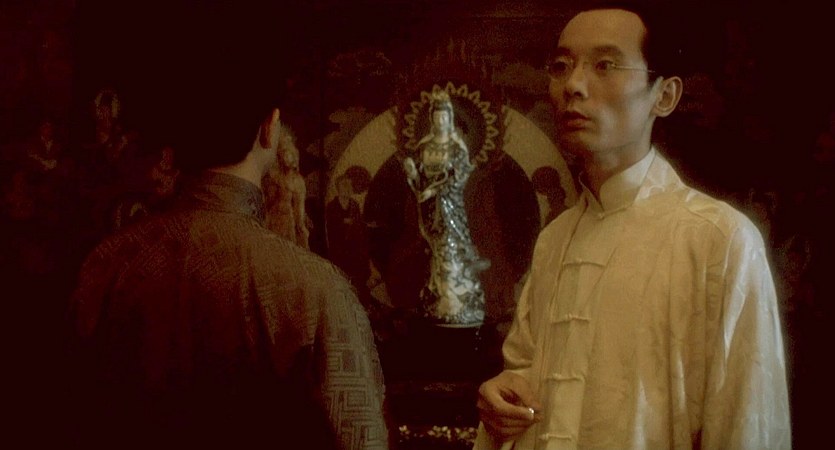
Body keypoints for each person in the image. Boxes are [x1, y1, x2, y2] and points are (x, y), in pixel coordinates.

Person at [474, 2, 790, 449]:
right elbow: (523, 375)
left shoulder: (719, 239)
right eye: (561, 67)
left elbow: (748, 426)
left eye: (605, 65)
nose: (573, 85)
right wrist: (502, 401)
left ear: (664, 96)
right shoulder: (554, 239)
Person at [63, 47, 389, 449]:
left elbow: (71, 418)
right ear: (269, 130)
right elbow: (361, 440)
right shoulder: (316, 289)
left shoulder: (107, 263)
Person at [402, 90, 488, 327]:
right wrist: (413, 174)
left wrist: (436, 191)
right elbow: (419, 179)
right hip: (429, 206)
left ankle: (458, 299)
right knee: (434, 250)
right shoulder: (424, 146)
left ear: (450, 119)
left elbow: (458, 178)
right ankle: (438, 295)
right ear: (431, 119)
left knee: (450, 246)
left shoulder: (457, 147)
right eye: (437, 117)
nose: (440, 121)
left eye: (444, 117)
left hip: (450, 205)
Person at [263, 125, 310, 249]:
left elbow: (299, 211)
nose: (289, 157)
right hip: (271, 220)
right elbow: (267, 202)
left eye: (291, 154)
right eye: (284, 152)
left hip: (287, 222)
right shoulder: (273, 176)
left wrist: (301, 227)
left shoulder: (297, 182)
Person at [326, 174, 370, 292]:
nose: (348, 188)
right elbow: (331, 227)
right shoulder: (332, 206)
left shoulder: (354, 205)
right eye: (345, 185)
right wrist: (342, 222)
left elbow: (359, 223)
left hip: (354, 247)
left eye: (350, 186)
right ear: (338, 188)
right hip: (339, 249)